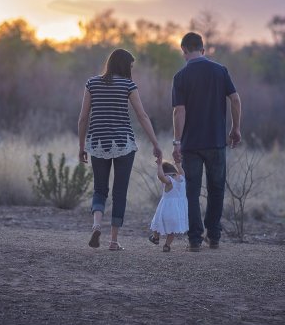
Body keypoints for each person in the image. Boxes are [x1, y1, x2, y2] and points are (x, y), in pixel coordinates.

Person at [78, 48, 162, 251]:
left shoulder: (92, 83)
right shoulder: (128, 85)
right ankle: (113, 241)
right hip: (123, 143)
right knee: (120, 192)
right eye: (131, 66)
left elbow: (83, 118)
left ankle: (97, 224)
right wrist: (155, 143)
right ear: (124, 66)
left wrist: (82, 146)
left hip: (97, 143)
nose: (131, 70)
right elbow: (142, 116)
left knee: (100, 189)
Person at [171, 32, 242, 252]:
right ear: (203, 50)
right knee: (216, 189)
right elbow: (235, 99)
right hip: (216, 142)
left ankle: (194, 240)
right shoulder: (220, 71)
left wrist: (177, 142)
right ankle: (214, 236)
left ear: (184, 50)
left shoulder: (180, 76)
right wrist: (235, 128)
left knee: (191, 191)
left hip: (191, 144)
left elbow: (178, 112)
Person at [149, 159, 188, 252]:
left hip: (166, 209)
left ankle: (155, 238)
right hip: (178, 211)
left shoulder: (169, 181)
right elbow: (182, 171)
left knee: (156, 223)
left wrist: (159, 165)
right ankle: (167, 245)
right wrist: (178, 164)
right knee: (172, 230)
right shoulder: (182, 178)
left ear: (165, 173)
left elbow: (160, 176)